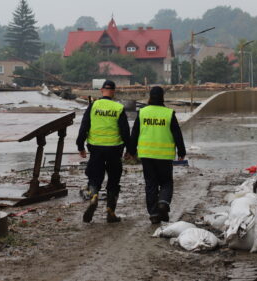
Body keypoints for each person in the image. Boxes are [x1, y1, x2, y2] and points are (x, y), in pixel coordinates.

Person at [128, 86, 186, 224]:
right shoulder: (169, 113)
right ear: (162, 97)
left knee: (151, 184)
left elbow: (135, 133)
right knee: (166, 182)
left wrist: (130, 151)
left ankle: (154, 214)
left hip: (147, 155)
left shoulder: (142, 113)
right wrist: (181, 151)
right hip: (164, 155)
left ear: (150, 96)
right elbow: (177, 134)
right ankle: (163, 202)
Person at [76, 80, 130, 223]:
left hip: (96, 148)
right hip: (114, 149)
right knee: (113, 180)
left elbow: (84, 126)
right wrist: (130, 150)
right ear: (113, 91)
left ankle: (94, 195)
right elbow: (125, 131)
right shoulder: (118, 108)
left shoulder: (93, 106)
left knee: (94, 176)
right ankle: (110, 211)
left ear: (101, 90)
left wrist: (80, 146)